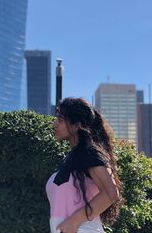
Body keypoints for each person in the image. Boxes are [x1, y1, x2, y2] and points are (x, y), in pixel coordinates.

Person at [46, 97, 123, 233]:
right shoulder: (72, 157)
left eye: (61, 120)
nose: (55, 124)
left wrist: (74, 220)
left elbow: (111, 193)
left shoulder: (89, 153)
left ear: (76, 126)